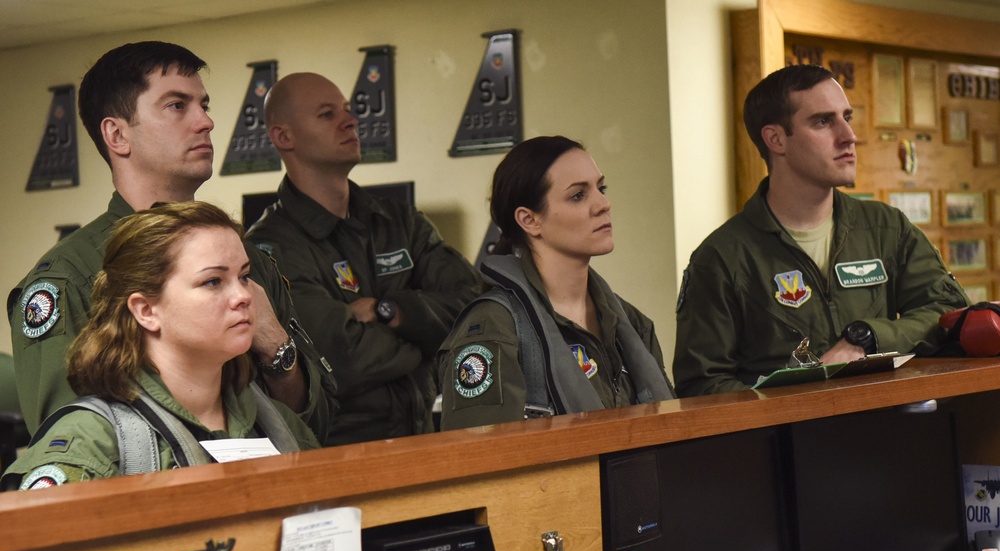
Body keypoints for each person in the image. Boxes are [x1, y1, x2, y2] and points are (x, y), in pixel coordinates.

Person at [6, 41, 333, 438]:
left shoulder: (245, 261)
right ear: (117, 135)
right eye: (177, 105)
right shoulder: (70, 277)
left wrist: (275, 347)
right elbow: (70, 449)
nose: (205, 121)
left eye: (204, 105)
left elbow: (317, 423)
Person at [673, 64, 969, 396]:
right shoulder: (723, 257)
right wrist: (792, 401)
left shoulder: (886, 228)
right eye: (823, 122)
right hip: (784, 442)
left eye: (847, 117)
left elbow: (949, 314)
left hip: (887, 428)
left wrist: (866, 339)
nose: (848, 136)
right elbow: (700, 385)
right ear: (776, 139)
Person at [1, 202, 321, 490]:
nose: (244, 296)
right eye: (213, 281)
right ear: (146, 310)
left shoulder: (277, 425)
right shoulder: (92, 445)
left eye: (244, 276)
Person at [247, 72, 481, 445]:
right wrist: (429, 342)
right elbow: (341, 361)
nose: (350, 120)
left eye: (348, 109)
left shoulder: (400, 222)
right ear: (283, 137)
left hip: (425, 440)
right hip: (340, 455)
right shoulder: (269, 247)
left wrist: (391, 310)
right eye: (327, 114)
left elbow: (476, 310)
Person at [437, 136, 674, 430]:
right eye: (578, 195)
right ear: (529, 220)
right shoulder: (494, 328)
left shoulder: (632, 324)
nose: (603, 204)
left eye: (601, 188)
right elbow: (482, 462)